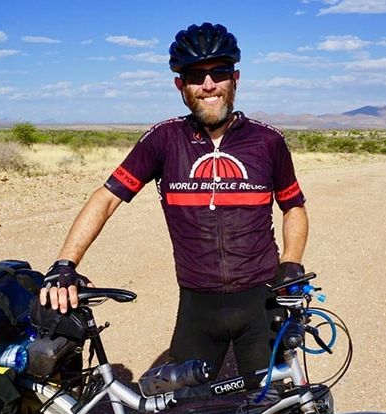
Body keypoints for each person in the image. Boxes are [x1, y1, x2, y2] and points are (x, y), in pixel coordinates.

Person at [40, 22, 308, 376]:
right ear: (180, 85)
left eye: (219, 73)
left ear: (235, 79)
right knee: (184, 405)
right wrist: (64, 264)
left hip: (262, 297)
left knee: (268, 404)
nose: (208, 85)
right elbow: (106, 198)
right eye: (195, 76)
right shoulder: (163, 139)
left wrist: (291, 263)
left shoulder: (268, 141)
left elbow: (293, 206)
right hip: (198, 304)